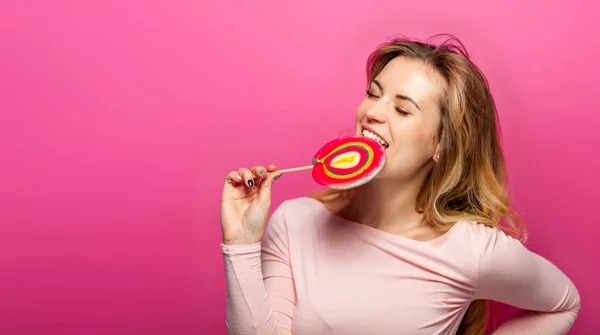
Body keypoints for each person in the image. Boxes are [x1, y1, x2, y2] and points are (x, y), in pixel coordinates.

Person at [219, 35, 581, 335]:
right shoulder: (295, 222)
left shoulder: (469, 250)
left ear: (441, 145)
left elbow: (564, 303)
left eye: (403, 109)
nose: (373, 112)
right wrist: (241, 244)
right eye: (374, 94)